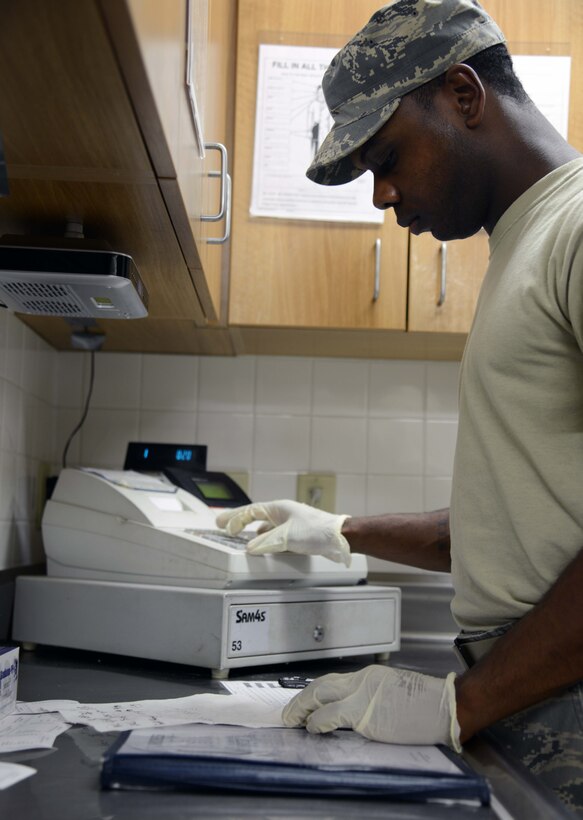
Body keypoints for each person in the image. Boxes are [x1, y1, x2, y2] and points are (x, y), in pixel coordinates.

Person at [218, 0, 583, 812]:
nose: (382, 196)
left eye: (386, 158)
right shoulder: (524, 244)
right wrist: (338, 530)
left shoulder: (575, 229)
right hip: (534, 690)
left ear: (461, 94)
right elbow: (512, 530)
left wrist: (459, 706)